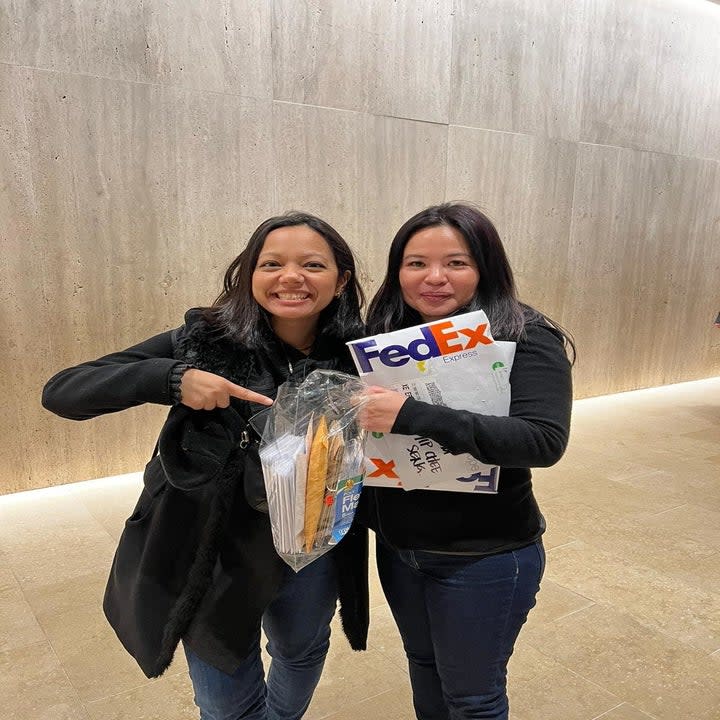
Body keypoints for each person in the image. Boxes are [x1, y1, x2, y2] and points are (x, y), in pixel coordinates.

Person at [42, 212, 369, 720]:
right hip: (215, 548)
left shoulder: (360, 355)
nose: (291, 277)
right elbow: (63, 391)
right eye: (272, 264)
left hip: (313, 542)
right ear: (248, 274)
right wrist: (174, 379)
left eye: (312, 265)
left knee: (301, 649)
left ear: (341, 279)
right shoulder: (207, 340)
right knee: (225, 696)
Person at [356, 202, 574, 720]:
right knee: (423, 667)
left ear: (485, 268)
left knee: (473, 699)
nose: (434, 278)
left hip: (484, 555)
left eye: (456, 262)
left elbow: (542, 441)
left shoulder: (525, 335)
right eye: (416, 263)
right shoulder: (382, 336)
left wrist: (413, 414)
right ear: (397, 271)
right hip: (399, 549)